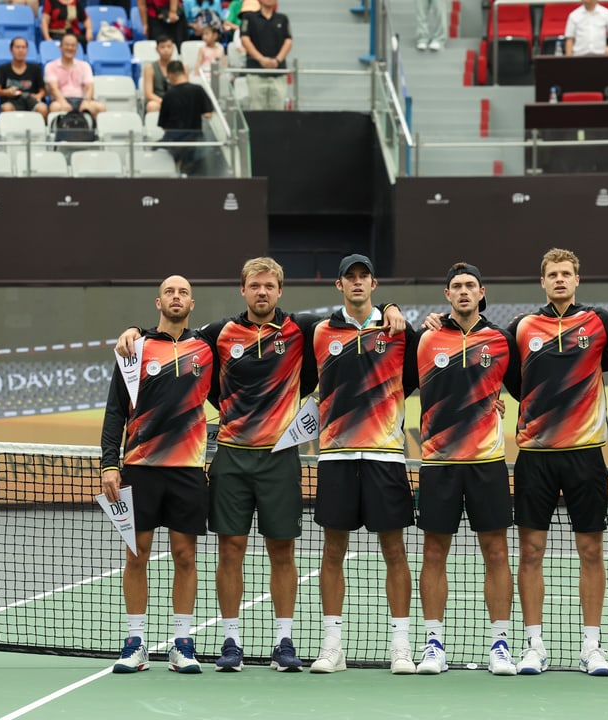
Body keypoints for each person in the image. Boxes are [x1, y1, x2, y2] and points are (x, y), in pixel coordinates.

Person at [116, 257, 405, 672]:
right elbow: (173, 335)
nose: (262, 292)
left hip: (279, 458)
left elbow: (355, 309)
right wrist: (137, 332)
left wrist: (391, 305)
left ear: (280, 291)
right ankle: (231, 642)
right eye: (255, 286)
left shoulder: (301, 330)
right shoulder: (218, 334)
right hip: (232, 456)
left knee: (282, 551)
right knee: (230, 550)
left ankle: (283, 642)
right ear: (243, 290)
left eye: (270, 286)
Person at [506, 248, 608, 676]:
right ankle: (534, 645)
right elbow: (504, 371)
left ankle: (591, 646)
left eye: (566, 273)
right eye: (552, 274)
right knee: (531, 551)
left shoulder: (599, 323)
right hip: (534, 456)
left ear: (578, 279)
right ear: (542, 282)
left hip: (585, 456)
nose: (559, 280)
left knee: (591, 550)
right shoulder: (522, 327)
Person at [308, 255, 419, 675]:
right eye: (349, 278)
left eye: (363, 277)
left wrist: (392, 308)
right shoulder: (319, 331)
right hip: (336, 456)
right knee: (332, 550)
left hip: (385, 455)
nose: (357, 283)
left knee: (394, 550)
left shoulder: (398, 331)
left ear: (374, 282)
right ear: (339, 285)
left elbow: (421, 376)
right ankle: (332, 646)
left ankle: (401, 646)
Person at [101, 275, 216, 674]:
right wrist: (109, 464)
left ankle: (182, 643)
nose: (176, 297)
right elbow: (116, 410)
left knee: (185, 556)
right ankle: (135, 642)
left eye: (183, 292)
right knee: (137, 555)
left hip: (187, 470)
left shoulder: (207, 346)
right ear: (158, 301)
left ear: (192, 302)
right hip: (140, 468)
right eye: (169, 291)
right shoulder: (136, 347)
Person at [414, 262, 521, 676]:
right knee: (433, 552)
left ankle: (500, 645)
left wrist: (501, 402)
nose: (463, 291)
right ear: (446, 294)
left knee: (495, 553)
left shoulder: (500, 340)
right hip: (438, 463)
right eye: (456, 286)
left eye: (470, 286)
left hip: (487, 463)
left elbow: (522, 389)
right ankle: (433, 645)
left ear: (481, 292)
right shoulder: (424, 340)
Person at [158, 60, 212, 173]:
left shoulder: (169, 95)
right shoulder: (198, 90)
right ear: (184, 72)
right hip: (196, 141)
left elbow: (163, 125)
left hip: (175, 142)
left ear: (171, 75)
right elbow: (208, 114)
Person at [240, 0, 291, 111]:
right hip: (256, 73)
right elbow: (245, 39)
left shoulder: (282, 19)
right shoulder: (249, 18)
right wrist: (261, 59)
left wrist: (277, 60)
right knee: (257, 111)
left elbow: (288, 41)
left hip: (278, 73)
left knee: (278, 111)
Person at [44, 33, 105, 116]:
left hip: (81, 100)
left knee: (100, 107)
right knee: (55, 107)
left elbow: (89, 87)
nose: (70, 48)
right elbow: (53, 88)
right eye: (67, 45)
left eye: (73, 45)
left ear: (77, 48)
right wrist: (63, 102)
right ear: (60, 47)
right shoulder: (50, 66)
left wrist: (86, 102)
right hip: (60, 100)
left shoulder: (84, 65)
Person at [0, 36, 47, 120]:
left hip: (31, 100)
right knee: (6, 108)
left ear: (27, 50)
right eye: (17, 47)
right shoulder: (3, 69)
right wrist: (6, 92)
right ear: (11, 50)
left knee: (42, 109)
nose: (21, 50)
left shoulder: (35, 68)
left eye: (23, 47)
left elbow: (43, 90)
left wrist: (38, 96)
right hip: (11, 101)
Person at [142, 34, 175, 114]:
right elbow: (149, 94)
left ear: (173, 48)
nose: (166, 50)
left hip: (175, 100)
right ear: (157, 50)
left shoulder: (180, 67)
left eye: (169, 46)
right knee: (152, 106)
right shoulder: (150, 68)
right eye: (162, 47)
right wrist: (165, 102)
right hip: (157, 101)